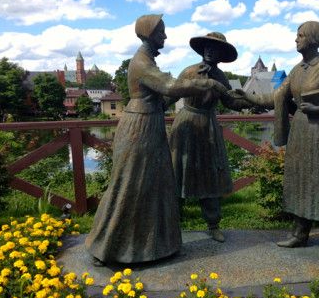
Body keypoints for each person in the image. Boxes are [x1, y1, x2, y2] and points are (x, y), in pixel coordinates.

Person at [85, 15, 228, 266]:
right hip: (140, 126)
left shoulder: (147, 59)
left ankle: (152, 245)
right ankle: (106, 247)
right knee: (130, 184)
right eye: (161, 32)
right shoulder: (141, 62)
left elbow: (164, 96)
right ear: (149, 33)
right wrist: (208, 83)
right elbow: (171, 87)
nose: (165, 36)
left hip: (150, 122)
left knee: (153, 184)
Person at [234, 21, 319, 259]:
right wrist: (249, 97)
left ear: (313, 39)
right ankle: (299, 234)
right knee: (301, 183)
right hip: (302, 136)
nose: (296, 39)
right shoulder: (296, 70)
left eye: (301, 35)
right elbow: (276, 97)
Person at [169, 32, 252, 242]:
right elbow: (171, 94)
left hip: (208, 129)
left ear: (221, 55)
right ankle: (170, 223)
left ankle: (213, 224)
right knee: (176, 172)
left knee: (210, 176)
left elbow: (231, 103)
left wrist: (252, 100)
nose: (209, 50)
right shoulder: (189, 71)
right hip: (186, 125)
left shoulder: (221, 77)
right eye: (206, 46)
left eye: (214, 48)